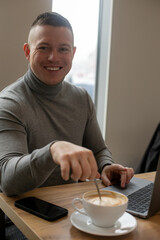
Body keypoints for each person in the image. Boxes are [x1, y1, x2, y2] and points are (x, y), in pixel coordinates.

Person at [0, 12, 134, 198]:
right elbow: (8, 181)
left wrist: (106, 166)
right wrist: (52, 150)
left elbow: (98, 149)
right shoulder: (10, 103)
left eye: (63, 49)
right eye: (44, 48)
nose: (54, 57)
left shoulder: (81, 98)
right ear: (27, 52)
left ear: (73, 52)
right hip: (22, 216)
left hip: (70, 207)